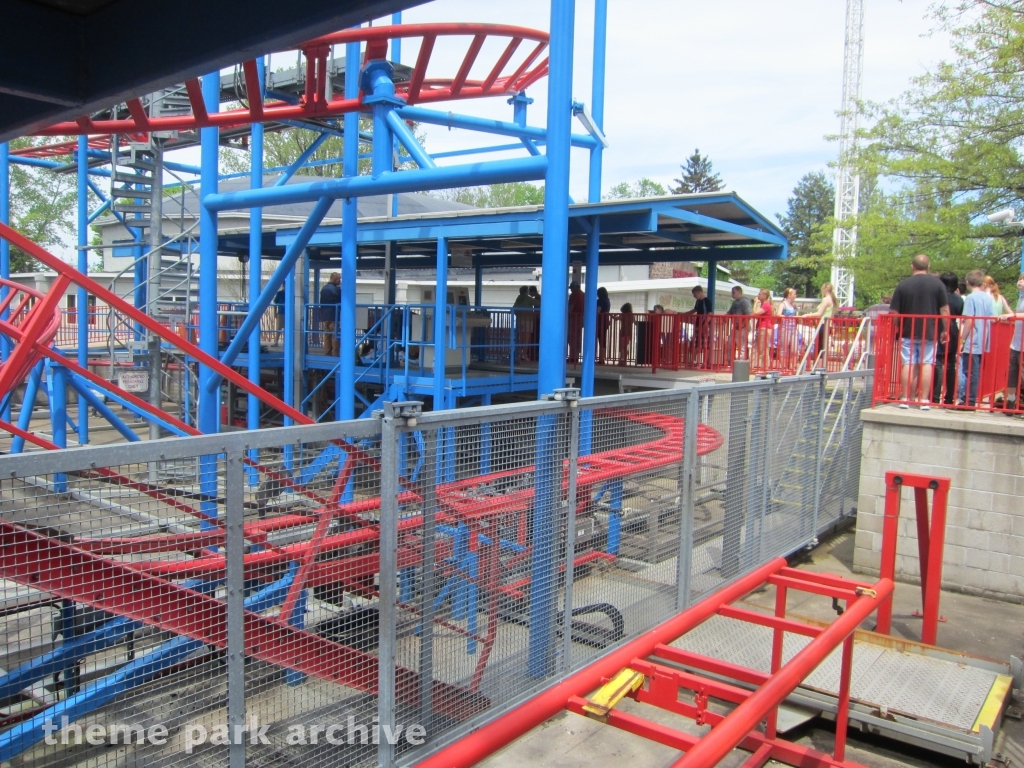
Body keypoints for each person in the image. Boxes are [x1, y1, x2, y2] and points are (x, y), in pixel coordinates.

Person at [889, 256, 948, 409]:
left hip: (907, 330)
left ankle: (905, 398)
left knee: (908, 364)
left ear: (912, 266)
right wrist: (945, 329)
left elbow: (894, 312)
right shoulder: (938, 284)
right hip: (929, 331)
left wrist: (898, 327)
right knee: (927, 363)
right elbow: (945, 310)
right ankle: (924, 400)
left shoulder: (903, 285)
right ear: (929, 265)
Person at [959, 269, 993, 408]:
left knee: (970, 371)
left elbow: (968, 321)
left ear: (968, 282)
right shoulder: (987, 297)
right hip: (984, 338)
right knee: (975, 370)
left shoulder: (971, 298)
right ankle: (971, 398)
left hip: (973, 339)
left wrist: (962, 340)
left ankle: (969, 399)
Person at [932, 272, 963, 405]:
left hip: (940, 330)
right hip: (954, 331)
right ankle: (949, 397)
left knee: (938, 363)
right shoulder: (959, 299)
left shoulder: (938, 298)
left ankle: (934, 396)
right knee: (951, 365)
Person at [1001, 273, 1024, 414]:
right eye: (1020, 278)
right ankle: (1010, 402)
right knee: (1012, 372)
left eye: (1023, 280)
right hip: (1016, 342)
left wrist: (1012, 316)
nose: (1020, 282)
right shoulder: (1020, 298)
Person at [319, 272, 341, 356]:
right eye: (339, 279)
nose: (340, 281)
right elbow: (340, 301)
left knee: (327, 334)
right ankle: (335, 353)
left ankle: (327, 352)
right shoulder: (336, 290)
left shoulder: (324, 289)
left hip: (325, 315)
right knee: (335, 335)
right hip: (334, 315)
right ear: (335, 279)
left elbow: (321, 302)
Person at [752, 289, 774, 367]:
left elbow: (755, 313)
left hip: (765, 328)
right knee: (756, 347)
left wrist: (755, 303)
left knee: (763, 348)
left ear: (764, 296)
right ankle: (753, 365)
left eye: (760, 294)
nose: (758, 295)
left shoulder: (766, 305)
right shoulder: (763, 304)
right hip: (761, 328)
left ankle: (765, 367)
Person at [512, 286, 534, 362]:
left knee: (521, 338)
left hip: (520, 320)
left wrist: (519, 315)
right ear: (526, 291)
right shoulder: (528, 298)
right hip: (528, 320)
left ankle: (519, 354)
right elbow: (539, 303)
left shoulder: (518, 299)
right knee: (526, 339)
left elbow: (514, 309)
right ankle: (524, 354)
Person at [567, 280, 585, 364]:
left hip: (573, 318)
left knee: (572, 338)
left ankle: (573, 356)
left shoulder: (574, 295)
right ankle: (576, 355)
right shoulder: (584, 295)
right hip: (581, 318)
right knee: (578, 337)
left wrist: (566, 315)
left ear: (574, 288)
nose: (570, 290)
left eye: (571, 288)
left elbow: (571, 306)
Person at [596, 286, 611, 363]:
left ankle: (597, 358)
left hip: (599, 322)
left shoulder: (600, 301)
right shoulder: (607, 300)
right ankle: (602, 358)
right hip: (605, 321)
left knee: (597, 339)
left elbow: (598, 310)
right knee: (603, 340)